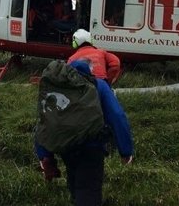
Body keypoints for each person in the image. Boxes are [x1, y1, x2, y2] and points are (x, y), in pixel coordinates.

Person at [35, 60, 134, 206]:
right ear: (89, 71)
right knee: (88, 190)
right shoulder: (98, 85)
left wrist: (45, 156)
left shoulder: (57, 88)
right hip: (91, 147)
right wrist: (126, 151)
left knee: (75, 183)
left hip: (66, 148)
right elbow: (117, 115)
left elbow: (45, 122)